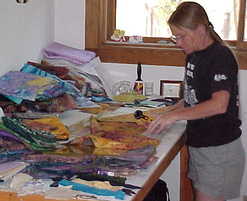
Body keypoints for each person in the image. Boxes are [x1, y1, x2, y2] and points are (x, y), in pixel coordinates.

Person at [145, 2, 245, 201]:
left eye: (181, 36)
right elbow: (194, 99)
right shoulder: (194, 56)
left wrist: (173, 116)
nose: (178, 43)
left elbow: (219, 104)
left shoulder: (220, 57)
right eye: (175, 37)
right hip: (201, 146)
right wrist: (167, 111)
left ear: (200, 29)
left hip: (218, 151)